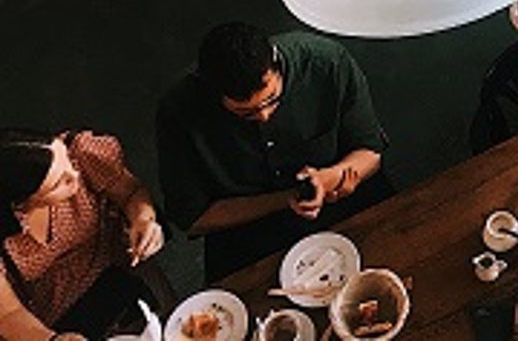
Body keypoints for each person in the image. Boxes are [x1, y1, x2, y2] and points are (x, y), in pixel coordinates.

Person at [156, 23, 390, 281]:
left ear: (276, 63)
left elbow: (370, 152)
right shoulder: (178, 113)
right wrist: (288, 198)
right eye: (245, 113)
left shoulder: (325, 62)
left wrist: (330, 177)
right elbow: (193, 217)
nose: (265, 116)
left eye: (272, 100)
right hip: (249, 231)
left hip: (341, 201)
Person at [1, 129, 165, 341]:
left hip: (120, 270)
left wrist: (143, 219)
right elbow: (8, 314)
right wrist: (52, 339)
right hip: (60, 317)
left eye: (66, 161)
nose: (74, 174)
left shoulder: (81, 155)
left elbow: (131, 193)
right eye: (59, 182)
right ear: (21, 204)